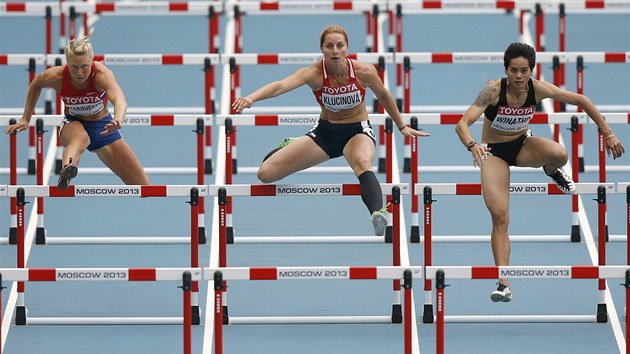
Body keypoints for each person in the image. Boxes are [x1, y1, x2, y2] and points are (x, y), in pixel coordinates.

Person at [455, 42, 625, 303]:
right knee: (499, 215)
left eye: (524, 71)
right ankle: (503, 282)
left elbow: (581, 100)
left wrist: (608, 132)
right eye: (513, 71)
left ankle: (551, 169)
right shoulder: (492, 91)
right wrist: (472, 145)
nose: (519, 77)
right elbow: (462, 124)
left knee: (560, 154)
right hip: (494, 153)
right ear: (506, 70)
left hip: (523, 145)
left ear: (532, 70)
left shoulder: (538, 89)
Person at [232, 24, 429, 236]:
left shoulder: (364, 72)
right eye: (329, 46)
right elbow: (281, 86)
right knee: (265, 174)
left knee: (362, 162)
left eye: (339, 45)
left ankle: (377, 213)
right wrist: (251, 98)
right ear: (322, 49)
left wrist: (401, 126)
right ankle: (294, 143)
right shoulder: (313, 74)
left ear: (347, 48)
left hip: (356, 132)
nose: (335, 50)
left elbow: (384, 96)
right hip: (325, 134)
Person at [5, 34, 149, 189]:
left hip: (103, 127)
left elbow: (120, 100)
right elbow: (36, 85)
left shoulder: (102, 75)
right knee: (80, 138)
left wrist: (118, 119)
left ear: (91, 61)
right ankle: (67, 170)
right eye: (74, 67)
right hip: (73, 123)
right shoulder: (56, 76)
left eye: (84, 67)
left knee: (144, 188)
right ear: (67, 63)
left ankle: (69, 167)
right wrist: (26, 118)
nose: (79, 73)